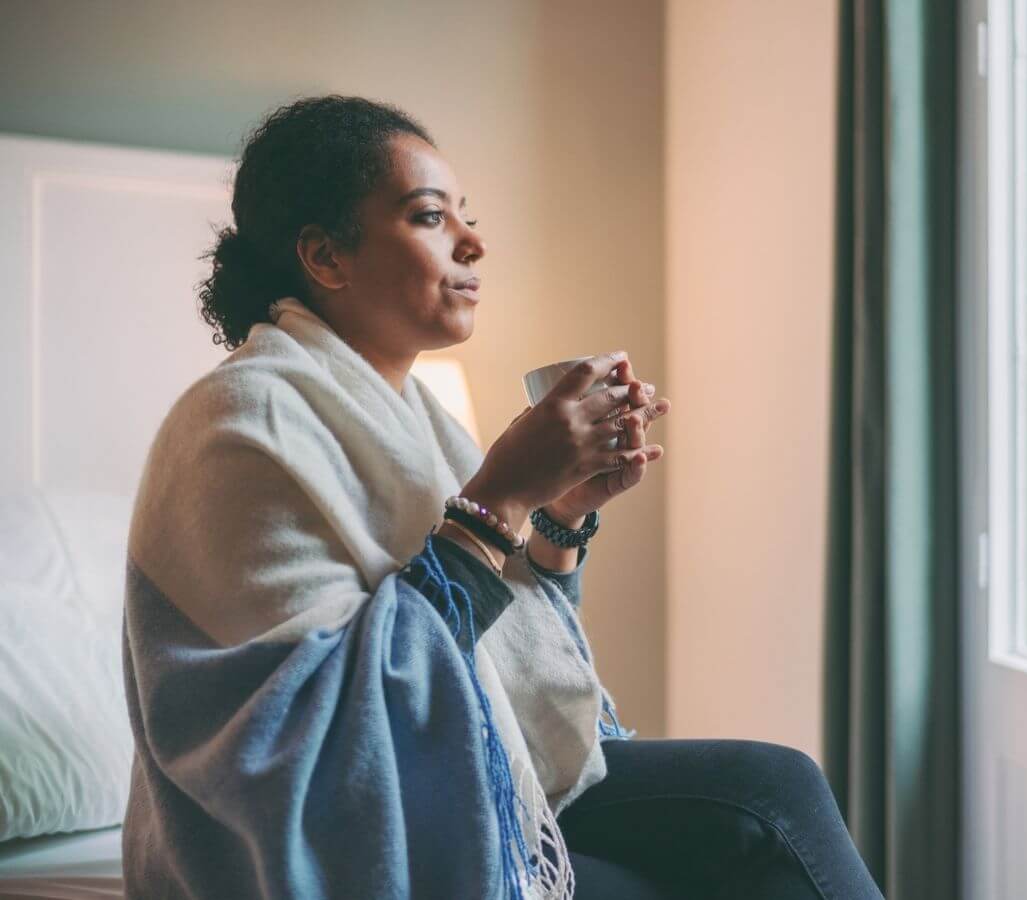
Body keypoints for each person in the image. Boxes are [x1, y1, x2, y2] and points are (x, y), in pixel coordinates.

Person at [122, 94, 884, 900]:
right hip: (324, 835)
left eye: (467, 217)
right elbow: (320, 728)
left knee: (772, 790)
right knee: (740, 829)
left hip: (445, 782)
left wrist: (557, 513)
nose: (475, 242)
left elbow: (488, 643)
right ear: (326, 256)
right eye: (428, 217)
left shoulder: (417, 421)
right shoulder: (244, 422)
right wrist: (504, 496)